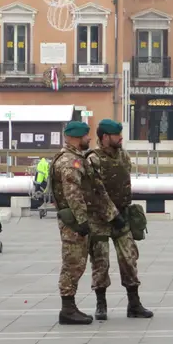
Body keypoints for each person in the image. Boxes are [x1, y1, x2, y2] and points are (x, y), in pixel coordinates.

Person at [85, 119, 153, 321]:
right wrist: (112, 215)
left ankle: (134, 304)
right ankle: (101, 304)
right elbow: (96, 192)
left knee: (129, 259)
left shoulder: (123, 155)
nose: (121, 138)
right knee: (100, 261)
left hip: (122, 216)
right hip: (100, 219)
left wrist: (122, 214)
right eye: (117, 135)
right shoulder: (93, 159)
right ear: (105, 137)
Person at [51, 121, 97, 325]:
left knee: (76, 262)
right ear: (77, 137)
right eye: (86, 136)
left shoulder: (69, 158)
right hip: (73, 222)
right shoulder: (71, 161)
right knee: (73, 263)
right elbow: (73, 194)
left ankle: (70, 307)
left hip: (72, 220)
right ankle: (67, 309)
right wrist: (82, 221)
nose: (89, 139)